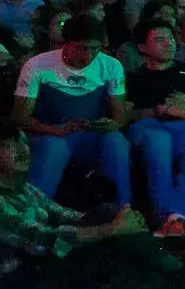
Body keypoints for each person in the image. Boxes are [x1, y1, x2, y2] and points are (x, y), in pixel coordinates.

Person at [0, 121, 185, 289]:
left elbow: (61, 214)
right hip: (17, 280)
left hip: (43, 262)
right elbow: (40, 240)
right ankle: (172, 275)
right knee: (111, 252)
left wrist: (117, 220)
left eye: (23, 142)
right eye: (10, 145)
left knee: (106, 215)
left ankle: (168, 274)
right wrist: (112, 229)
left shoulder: (20, 185)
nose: (23, 149)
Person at [12, 16, 133, 213]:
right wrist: (55, 129)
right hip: (50, 136)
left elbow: (119, 115)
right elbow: (19, 117)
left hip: (89, 136)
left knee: (116, 141)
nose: (89, 55)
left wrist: (112, 124)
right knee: (54, 146)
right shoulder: (37, 66)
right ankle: (35, 213)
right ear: (66, 43)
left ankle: (123, 210)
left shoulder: (111, 66)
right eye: (82, 48)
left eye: (95, 48)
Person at [123, 19, 185, 244]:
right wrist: (159, 110)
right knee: (158, 143)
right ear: (142, 47)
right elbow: (126, 115)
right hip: (151, 126)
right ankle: (168, 216)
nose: (169, 44)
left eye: (171, 38)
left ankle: (175, 218)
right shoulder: (134, 78)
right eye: (159, 39)